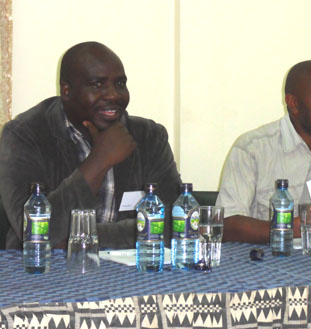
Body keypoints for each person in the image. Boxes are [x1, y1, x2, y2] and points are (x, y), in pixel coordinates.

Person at [0, 42, 181, 249]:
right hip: (47, 274)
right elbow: (34, 232)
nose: (113, 95)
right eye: (97, 85)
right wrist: (100, 161)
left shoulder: (149, 137)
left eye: (120, 84)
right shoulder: (25, 135)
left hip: (134, 273)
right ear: (66, 91)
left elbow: (175, 225)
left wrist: (78, 237)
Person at [217, 60, 311, 243]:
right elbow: (228, 225)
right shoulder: (251, 148)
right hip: (266, 260)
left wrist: (280, 228)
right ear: (293, 103)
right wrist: (292, 228)